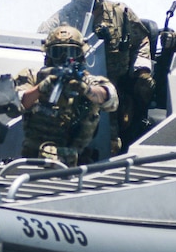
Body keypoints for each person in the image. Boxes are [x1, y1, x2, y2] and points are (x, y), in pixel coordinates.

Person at [54, 0, 154, 152]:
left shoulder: (120, 13)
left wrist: (141, 69)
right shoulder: (61, 18)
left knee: (110, 143)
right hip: (78, 85)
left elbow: (141, 39)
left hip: (114, 87)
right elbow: (44, 42)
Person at [14, 25, 117, 166]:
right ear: (48, 55)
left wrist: (87, 90)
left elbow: (111, 99)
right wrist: (41, 88)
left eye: (71, 52)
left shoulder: (88, 81)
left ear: (80, 55)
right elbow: (17, 103)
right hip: (35, 160)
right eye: (57, 52)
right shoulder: (33, 77)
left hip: (78, 163)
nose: (64, 57)